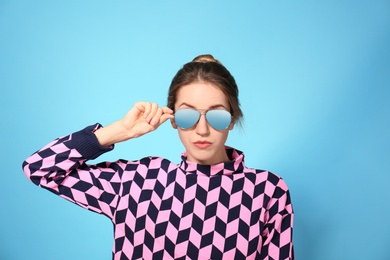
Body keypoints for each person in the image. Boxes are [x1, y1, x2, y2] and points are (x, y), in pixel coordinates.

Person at [23, 54, 294, 260]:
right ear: (173, 120)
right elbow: (40, 168)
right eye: (188, 115)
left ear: (232, 119)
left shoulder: (267, 190)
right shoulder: (137, 180)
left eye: (217, 115)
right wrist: (118, 131)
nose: (202, 129)